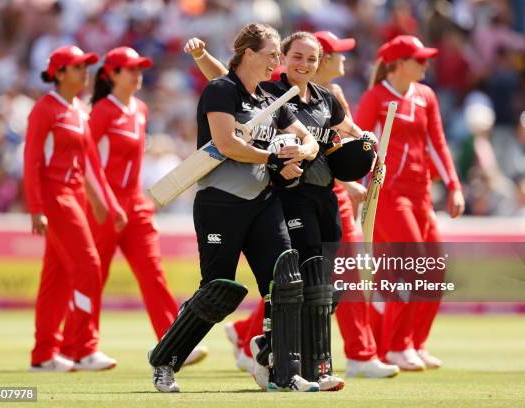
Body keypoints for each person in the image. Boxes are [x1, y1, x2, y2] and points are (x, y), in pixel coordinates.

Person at [184, 30, 393, 390]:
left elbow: (347, 138)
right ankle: (279, 355)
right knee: (298, 284)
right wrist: (202, 56)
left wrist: (368, 152)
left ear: (320, 62)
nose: (304, 64)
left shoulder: (328, 99)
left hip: (324, 196)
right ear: (282, 57)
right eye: (297, 57)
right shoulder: (273, 90)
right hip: (286, 197)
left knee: (319, 288)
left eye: (311, 59)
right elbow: (227, 81)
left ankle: (295, 359)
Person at [147, 23, 320, 393]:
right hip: (220, 203)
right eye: (272, 53)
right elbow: (226, 144)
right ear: (249, 54)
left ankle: (280, 370)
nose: (278, 61)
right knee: (219, 290)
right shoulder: (220, 91)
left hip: (264, 201)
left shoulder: (268, 99)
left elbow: (307, 139)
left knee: (286, 283)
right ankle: (166, 359)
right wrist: (272, 156)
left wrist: (301, 152)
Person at [85, 46, 207, 365]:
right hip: (103, 204)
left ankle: (174, 343)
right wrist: (106, 203)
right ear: (111, 74)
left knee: (153, 273)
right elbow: (87, 161)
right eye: (131, 69)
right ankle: (82, 347)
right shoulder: (101, 112)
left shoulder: (140, 109)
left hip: (135, 204)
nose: (138, 75)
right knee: (92, 276)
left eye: (140, 69)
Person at [355, 35, 465, 371]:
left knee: (434, 270)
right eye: (419, 59)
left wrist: (453, 185)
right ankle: (395, 347)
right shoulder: (376, 98)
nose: (426, 64)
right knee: (413, 265)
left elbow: (438, 143)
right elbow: (359, 149)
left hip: (421, 195)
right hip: (388, 194)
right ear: (399, 64)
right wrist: (358, 191)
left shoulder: (426, 96)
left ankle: (414, 343)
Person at [24, 45, 127, 372]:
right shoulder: (44, 109)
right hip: (55, 197)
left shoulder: (81, 111)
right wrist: (36, 207)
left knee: (55, 278)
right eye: (78, 67)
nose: (86, 72)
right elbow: (31, 161)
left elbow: (91, 166)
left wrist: (108, 204)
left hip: (74, 197)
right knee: (88, 265)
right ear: (59, 73)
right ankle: (83, 348)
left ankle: (43, 355)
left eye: (86, 67)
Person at [312, 30, 399, 379]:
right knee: (306, 276)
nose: (344, 58)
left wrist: (371, 153)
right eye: (338, 53)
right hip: (312, 196)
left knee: (347, 273)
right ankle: (249, 337)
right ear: (323, 58)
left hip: (336, 199)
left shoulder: (334, 95)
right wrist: (346, 182)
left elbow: (352, 140)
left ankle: (362, 354)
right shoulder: (296, 98)